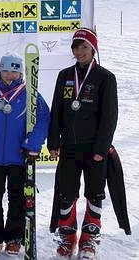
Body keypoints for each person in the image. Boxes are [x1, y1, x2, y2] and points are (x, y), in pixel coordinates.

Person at [47, 28, 118, 259]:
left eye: (84, 47)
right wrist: (53, 141)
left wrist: (101, 148)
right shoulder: (65, 75)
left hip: (94, 149)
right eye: (76, 47)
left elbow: (110, 116)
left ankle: (89, 240)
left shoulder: (106, 78)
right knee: (66, 193)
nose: (79, 52)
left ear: (93, 49)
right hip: (68, 147)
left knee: (95, 193)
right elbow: (56, 109)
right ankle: (68, 238)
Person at [0, 54, 50, 256]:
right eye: (6, 70)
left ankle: (14, 237)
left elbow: (44, 119)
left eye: (14, 71)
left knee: (18, 199)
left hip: (19, 157)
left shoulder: (30, 95)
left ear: (21, 72)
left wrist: (33, 143)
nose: (10, 75)